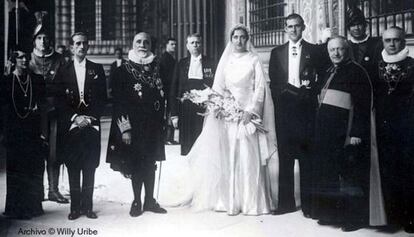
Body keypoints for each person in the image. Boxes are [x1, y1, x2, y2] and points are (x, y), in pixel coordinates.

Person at [183, 25, 277, 215]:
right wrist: (220, 106)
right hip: (228, 115)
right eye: (235, 37)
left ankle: (252, 203)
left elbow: (259, 89)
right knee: (229, 157)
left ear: (247, 39)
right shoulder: (225, 62)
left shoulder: (253, 60)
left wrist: (251, 111)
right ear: (231, 39)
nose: (239, 41)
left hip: (247, 115)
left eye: (243, 37)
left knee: (247, 156)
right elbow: (218, 87)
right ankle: (229, 202)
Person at [312, 36, 384, 231]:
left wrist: (356, 133)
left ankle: (355, 218)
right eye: (332, 49)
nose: (335, 53)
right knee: (330, 174)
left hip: (347, 134)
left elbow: (363, 106)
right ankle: (332, 214)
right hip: (328, 134)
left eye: (339, 49)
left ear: (347, 50)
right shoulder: (329, 70)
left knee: (351, 177)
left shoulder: (357, 72)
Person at [106, 32, 167, 217]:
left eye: (146, 42)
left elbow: (164, 94)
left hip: (153, 125)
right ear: (132, 45)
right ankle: (137, 201)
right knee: (137, 164)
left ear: (151, 45)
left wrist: (165, 120)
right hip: (133, 127)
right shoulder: (122, 70)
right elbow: (119, 102)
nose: (142, 45)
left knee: (151, 163)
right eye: (138, 42)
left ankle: (150, 201)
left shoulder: (158, 67)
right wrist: (125, 129)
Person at [268, 13, 322, 216]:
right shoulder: (277, 52)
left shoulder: (315, 51)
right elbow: (273, 82)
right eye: (289, 27)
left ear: (303, 27)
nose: (293, 30)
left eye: (297, 26)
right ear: (285, 29)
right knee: (285, 156)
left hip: (306, 108)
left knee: (307, 156)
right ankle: (285, 204)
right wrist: (283, 96)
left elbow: (321, 76)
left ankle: (308, 206)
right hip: (284, 110)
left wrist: (308, 92)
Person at [54, 32, 106, 220]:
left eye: (84, 43)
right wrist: (75, 118)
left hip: (91, 125)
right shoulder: (63, 70)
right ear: (71, 47)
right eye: (78, 43)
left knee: (90, 165)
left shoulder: (97, 69)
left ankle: (88, 206)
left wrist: (90, 118)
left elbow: (102, 99)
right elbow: (58, 100)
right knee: (73, 166)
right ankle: (75, 207)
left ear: (88, 46)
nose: (81, 46)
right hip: (72, 126)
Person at [374, 27, 414, 233]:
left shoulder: (412, 65)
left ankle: (409, 216)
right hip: (382, 128)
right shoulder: (376, 65)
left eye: (396, 40)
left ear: (403, 41)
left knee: (407, 172)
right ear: (383, 42)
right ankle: (391, 217)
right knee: (386, 171)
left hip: (407, 127)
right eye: (388, 40)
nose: (392, 44)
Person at [2, 50, 45, 219]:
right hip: (14, 133)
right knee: (16, 169)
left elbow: (42, 105)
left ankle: (33, 206)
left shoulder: (35, 79)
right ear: (13, 60)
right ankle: (17, 208)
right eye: (20, 57)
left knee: (32, 168)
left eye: (26, 56)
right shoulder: (6, 82)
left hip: (32, 131)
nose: (25, 59)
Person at [29, 24, 68, 204]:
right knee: (36, 152)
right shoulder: (27, 60)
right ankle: (36, 191)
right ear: (34, 40)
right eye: (39, 38)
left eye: (45, 38)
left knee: (55, 152)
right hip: (33, 113)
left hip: (55, 111)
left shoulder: (60, 59)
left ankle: (53, 190)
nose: (43, 42)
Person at [169, 33, 216, 155]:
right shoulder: (181, 64)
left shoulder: (211, 63)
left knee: (204, 145)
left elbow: (216, 86)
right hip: (186, 110)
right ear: (187, 46)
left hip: (204, 109)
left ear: (202, 45)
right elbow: (173, 89)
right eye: (192, 43)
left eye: (198, 42)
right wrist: (174, 114)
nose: (195, 45)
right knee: (188, 146)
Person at [347, 7, 382, 77]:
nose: (356, 28)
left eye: (359, 24)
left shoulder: (377, 44)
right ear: (348, 28)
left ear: (365, 26)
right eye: (353, 25)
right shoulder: (346, 45)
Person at [159, 38, 179, 145]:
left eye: (175, 44)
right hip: (168, 91)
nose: (174, 46)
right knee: (168, 114)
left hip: (171, 90)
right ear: (166, 45)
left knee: (171, 113)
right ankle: (166, 138)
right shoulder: (165, 58)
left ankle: (169, 137)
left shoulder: (171, 58)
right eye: (172, 44)